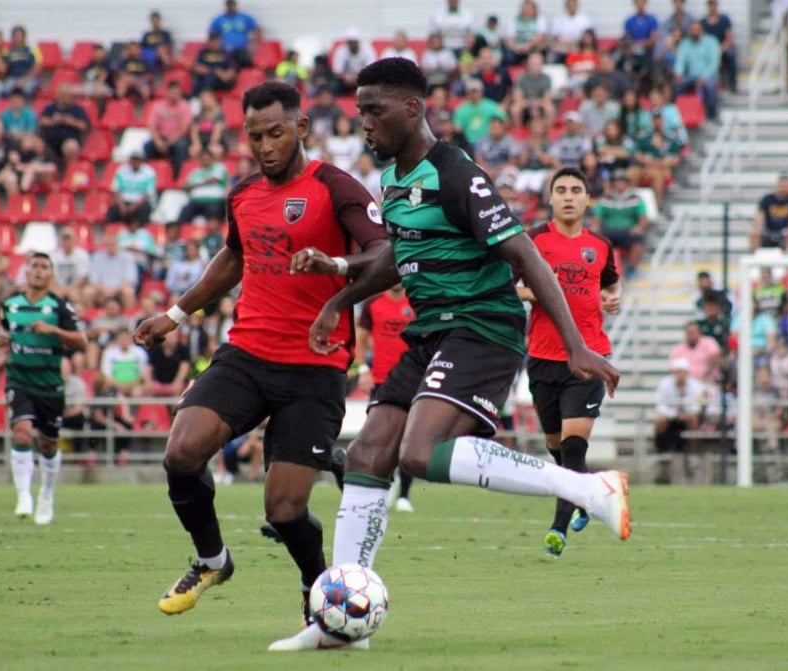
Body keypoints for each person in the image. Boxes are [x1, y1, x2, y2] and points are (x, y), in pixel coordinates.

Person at [268, 58, 626, 652]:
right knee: (368, 452)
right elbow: (390, 262)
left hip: (483, 327)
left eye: (374, 111)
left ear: (412, 109)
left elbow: (525, 255)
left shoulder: (457, 174)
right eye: (359, 113)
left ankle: (588, 489)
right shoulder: (395, 183)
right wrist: (340, 291)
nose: (364, 125)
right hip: (431, 330)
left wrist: (576, 345)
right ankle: (335, 622)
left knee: (420, 452)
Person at [132, 81, 390, 622]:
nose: (266, 146)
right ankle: (211, 559)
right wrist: (175, 316)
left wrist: (336, 273)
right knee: (181, 451)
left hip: (315, 366)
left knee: (284, 507)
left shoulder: (337, 187)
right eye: (255, 136)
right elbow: (233, 257)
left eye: (276, 133)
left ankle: (316, 588)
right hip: (247, 354)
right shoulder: (244, 194)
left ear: (300, 128)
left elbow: (384, 253)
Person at [520, 167, 621, 557]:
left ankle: (558, 529)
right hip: (543, 357)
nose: (568, 196)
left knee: (574, 449)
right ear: (550, 198)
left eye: (576, 190)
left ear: (586, 199)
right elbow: (509, 285)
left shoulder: (600, 245)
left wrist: (614, 298)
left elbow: (611, 283)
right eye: (560, 189)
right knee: (555, 446)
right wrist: (536, 294)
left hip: (589, 358)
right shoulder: (532, 242)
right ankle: (589, 495)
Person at [0, 253, 87, 524]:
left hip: (49, 383)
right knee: (22, 433)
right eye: (34, 266)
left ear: (50, 275)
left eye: (44, 267)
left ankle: (46, 493)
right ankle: (24, 495)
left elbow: (82, 342)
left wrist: (53, 331)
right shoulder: (9, 304)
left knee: (48, 443)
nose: (38, 271)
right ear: (26, 272)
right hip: (19, 379)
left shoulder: (59, 307)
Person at [355, 284, 416, 512]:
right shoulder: (373, 303)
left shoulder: (417, 299)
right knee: (379, 437)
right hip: (381, 380)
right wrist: (363, 369)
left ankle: (404, 496)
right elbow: (360, 338)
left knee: (409, 436)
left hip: (411, 379)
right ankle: (384, 484)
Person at [653, 358, 706, 484]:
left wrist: (685, 414)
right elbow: (659, 405)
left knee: (693, 420)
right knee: (660, 421)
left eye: (682, 372)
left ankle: (693, 454)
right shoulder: (664, 384)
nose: (679, 375)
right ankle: (661, 453)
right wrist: (675, 414)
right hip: (672, 418)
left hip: (687, 418)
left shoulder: (696, 385)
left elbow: (697, 406)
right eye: (677, 372)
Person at [751, 173, 788, 251]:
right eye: (781, 187)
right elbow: (759, 215)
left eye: (786, 187)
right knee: (754, 233)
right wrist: (757, 227)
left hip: (785, 233)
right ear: (777, 186)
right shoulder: (767, 199)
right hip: (769, 231)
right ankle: (755, 259)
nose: (783, 190)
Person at [209, 0, 261, 67]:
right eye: (229, 6)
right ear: (226, 6)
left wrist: (253, 43)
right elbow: (212, 34)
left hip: (242, 50)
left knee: (246, 61)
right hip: (225, 51)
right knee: (219, 62)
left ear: (236, 6)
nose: (231, 8)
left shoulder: (244, 18)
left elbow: (257, 30)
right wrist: (217, 45)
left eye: (232, 5)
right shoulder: (219, 19)